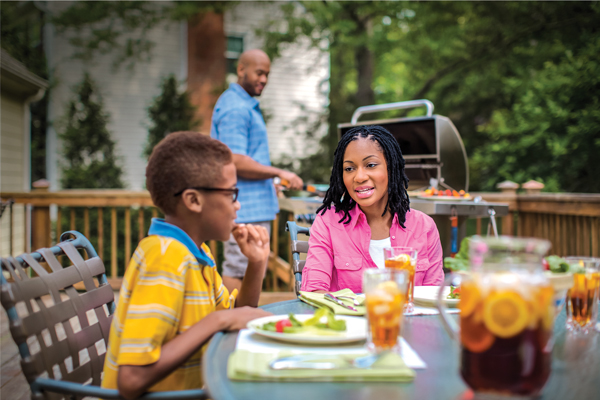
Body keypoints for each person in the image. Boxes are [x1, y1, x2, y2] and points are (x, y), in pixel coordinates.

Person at [102, 131, 272, 399]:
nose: (238, 205)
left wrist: (257, 262)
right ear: (193, 200)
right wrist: (219, 320)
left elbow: (238, 315)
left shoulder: (197, 254)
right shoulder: (165, 258)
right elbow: (131, 379)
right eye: (232, 193)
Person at [300, 125, 443, 293]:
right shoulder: (328, 223)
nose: (359, 177)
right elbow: (314, 292)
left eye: (371, 165)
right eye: (349, 168)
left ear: (391, 168)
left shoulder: (424, 227)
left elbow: (434, 297)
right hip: (348, 318)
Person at [211, 48, 303, 293]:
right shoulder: (236, 108)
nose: (263, 80)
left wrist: (268, 182)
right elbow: (236, 160)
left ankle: (244, 320)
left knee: (251, 268)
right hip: (244, 208)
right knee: (238, 269)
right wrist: (280, 173)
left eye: (267, 75)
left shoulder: (244, 105)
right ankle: (233, 327)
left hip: (252, 205)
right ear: (241, 70)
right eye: (259, 73)